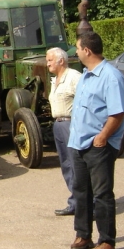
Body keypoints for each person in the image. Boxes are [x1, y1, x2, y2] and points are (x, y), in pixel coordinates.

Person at [68, 31, 124, 249]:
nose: (75, 51)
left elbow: (118, 112)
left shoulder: (111, 77)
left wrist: (103, 137)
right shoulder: (85, 75)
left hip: (98, 146)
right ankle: (83, 235)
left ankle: (107, 241)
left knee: (102, 194)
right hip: (78, 144)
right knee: (81, 192)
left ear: (87, 50)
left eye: (77, 47)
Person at [46, 47, 81, 217]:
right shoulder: (54, 80)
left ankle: (90, 204)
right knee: (66, 165)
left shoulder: (74, 77)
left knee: (77, 164)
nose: (48, 64)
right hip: (58, 125)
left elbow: (86, 101)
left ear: (61, 61)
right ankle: (75, 203)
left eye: (50, 60)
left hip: (71, 124)